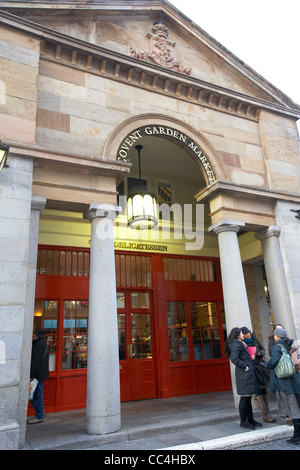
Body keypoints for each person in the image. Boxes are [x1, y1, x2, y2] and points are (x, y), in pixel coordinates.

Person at [267, 327, 300, 445]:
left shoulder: (277, 347)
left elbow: (274, 361)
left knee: (293, 409)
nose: (274, 336)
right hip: (295, 381)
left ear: (277, 336)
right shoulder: (289, 345)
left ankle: (297, 436)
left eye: (275, 335)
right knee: (297, 407)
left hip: (285, 383)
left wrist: (267, 364)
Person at [225, 327, 262, 430]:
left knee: (248, 397)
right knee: (244, 397)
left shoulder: (240, 344)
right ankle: (243, 421)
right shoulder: (236, 345)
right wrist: (245, 366)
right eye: (241, 334)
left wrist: (250, 358)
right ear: (237, 335)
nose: (243, 335)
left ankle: (250, 419)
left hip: (247, 374)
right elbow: (234, 359)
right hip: (244, 374)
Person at [241, 327, 275, 423]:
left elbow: (263, 349)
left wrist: (260, 353)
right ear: (242, 335)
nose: (248, 335)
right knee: (258, 391)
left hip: (259, 365)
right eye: (245, 334)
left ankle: (267, 413)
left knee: (263, 389)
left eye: (248, 333)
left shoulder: (254, 339)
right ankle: (265, 414)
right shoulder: (242, 343)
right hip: (251, 367)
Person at [28, 328, 49, 424]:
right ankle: (39, 413)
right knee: (34, 394)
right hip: (40, 373)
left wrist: (32, 375)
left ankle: (39, 415)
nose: (33, 336)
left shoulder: (39, 345)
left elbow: (37, 361)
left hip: (37, 374)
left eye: (34, 334)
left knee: (34, 394)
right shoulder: (42, 343)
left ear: (38, 335)